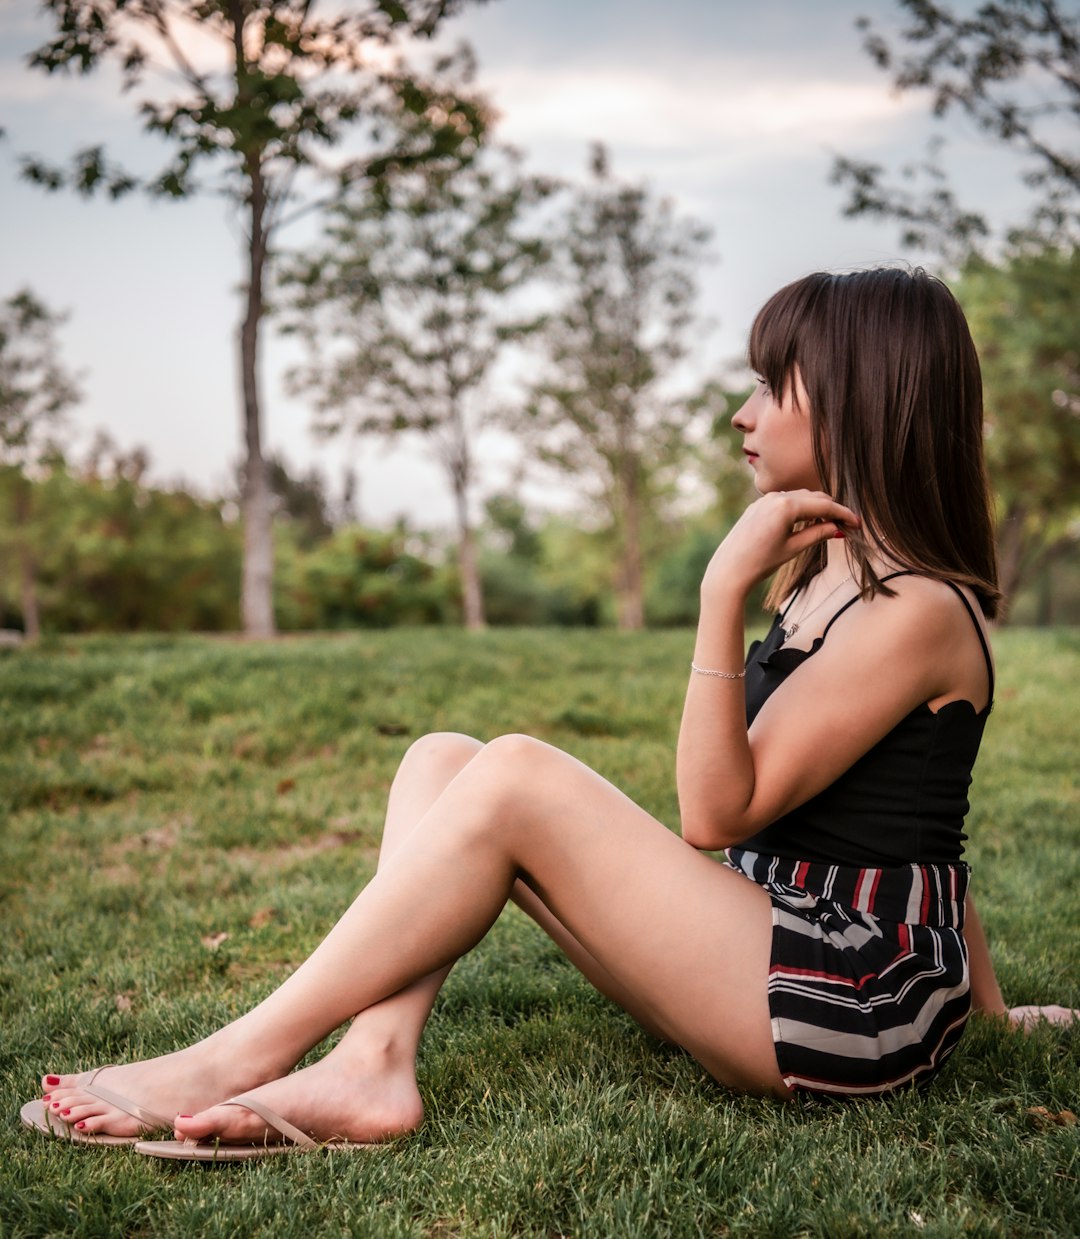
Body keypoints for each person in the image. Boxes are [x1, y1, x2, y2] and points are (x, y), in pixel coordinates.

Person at [21, 266, 1076, 1160]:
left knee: (518, 772)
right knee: (443, 759)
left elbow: (715, 812)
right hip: (776, 948)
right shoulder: (827, 579)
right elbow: (933, 830)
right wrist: (987, 1006)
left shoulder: (918, 609)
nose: (741, 415)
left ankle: (233, 1055)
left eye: (770, 385)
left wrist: (716, 597)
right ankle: (371, 1065)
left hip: (846, 1003)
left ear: (859, 396)